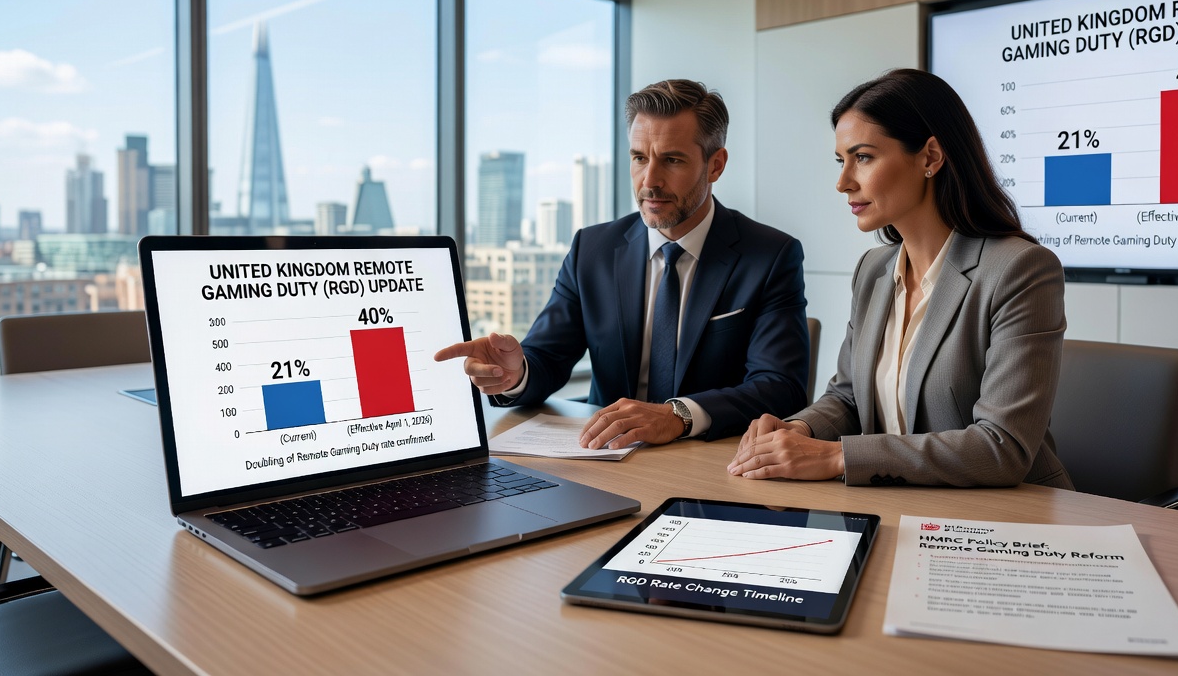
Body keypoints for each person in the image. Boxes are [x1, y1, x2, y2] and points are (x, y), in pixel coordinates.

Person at [728, 69, 1073, 489]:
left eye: (864, 157)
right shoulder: (873, 270)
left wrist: (837, 456)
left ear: (930, 157)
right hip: (898, 504)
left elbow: (1001, 447)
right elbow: (849, 398)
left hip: (1005, 520)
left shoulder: (1020, 269)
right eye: (841, 161)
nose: (842, 182)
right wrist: (797, 432)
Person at [437, 79, 810, 449]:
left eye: (672, 160)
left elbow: (780, 386)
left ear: (715, 165)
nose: (650, 181)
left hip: (712, 462)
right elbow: (547, 357)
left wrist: (677, 415)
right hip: (607, 458)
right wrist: (513, 372)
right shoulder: (593, 249)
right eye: (639, 158)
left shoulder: (770, 255)